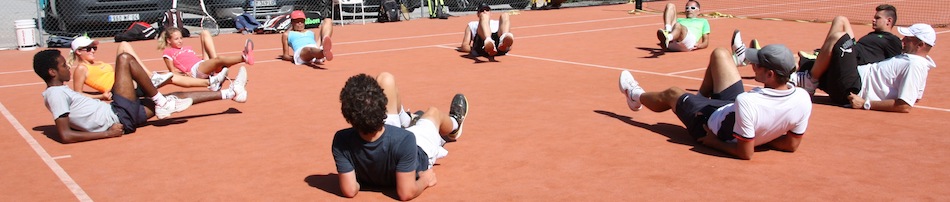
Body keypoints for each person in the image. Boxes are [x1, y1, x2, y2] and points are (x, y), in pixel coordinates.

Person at [618, 41, 812, 160]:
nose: (752, 65)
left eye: (757, 65)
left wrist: (713, 142)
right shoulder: (803, 97)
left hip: (711, 125)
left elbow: (746, 153)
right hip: (733, 111)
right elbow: (791, 144)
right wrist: (764, 136)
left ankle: (634, 95)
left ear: (770, 74)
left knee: (672, 93)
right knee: (720, 54)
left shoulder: (748, 102)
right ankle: (699, 100)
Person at [33, 49, 249, 143]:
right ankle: (159, 99)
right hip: (118, 115)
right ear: (52, 72)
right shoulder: (55, 94)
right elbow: (65, 135)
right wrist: (107, 134)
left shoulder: (58, 92)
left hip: (118, 112)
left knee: (174, 95)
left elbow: (81, 115)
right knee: (125, 58)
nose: (67, 67)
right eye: (63, 65)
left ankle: (230, 93)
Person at [332, 72, 469, 200]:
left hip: (386, 138)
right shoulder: (405, 140)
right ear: (382, 106)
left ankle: (408, 120)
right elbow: (406, 192)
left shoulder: (341, 140)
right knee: (433, 113)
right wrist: (425, 180)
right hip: (418, 149)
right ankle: (455, 124)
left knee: (386, 79)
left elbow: (350, 189)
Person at [790, 23, 937, 113]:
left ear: (920, 45)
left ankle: (811, 81)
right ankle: (805, 77)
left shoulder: (915, 64)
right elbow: (916, 96)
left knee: (842, 38)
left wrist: (865, 104)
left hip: (853, 86)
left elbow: (904, 105)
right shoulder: (917, 62)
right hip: (848, 78)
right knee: (799, 63)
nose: (903, 40)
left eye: (908, 39)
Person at [68, 36, 236, 101]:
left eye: (93, 48)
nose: (92, 51)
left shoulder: (98, 64)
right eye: (88, 49)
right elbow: (77, 95)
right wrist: (101, 96)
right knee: (125, 45)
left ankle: (211, 83)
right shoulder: (81, 69)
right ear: (78, 52)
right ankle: (149, 75)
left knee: (170, 76)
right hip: (121, 90)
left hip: (127, 83)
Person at [795, 5, 902, 97]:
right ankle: (822, 52)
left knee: (839, 36)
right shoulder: (873, 35)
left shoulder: (893, 40)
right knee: (840, 19)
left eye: (877, 18)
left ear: (889, 21)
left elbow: (897, 63)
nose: (873, 20)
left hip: (854, 62)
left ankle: (811, 80)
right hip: (850, 51)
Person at [159, 29, 253, 91]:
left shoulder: (187, 47)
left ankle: (217, 67)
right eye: (176, 39)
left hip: (201, 64)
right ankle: (243, 58)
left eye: (181, 38)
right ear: (168, 40)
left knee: (204, 32)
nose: (180, 41)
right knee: (219, 59)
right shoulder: (168, 52)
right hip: (195, 71)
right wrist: (184, 75)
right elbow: (172, 72)